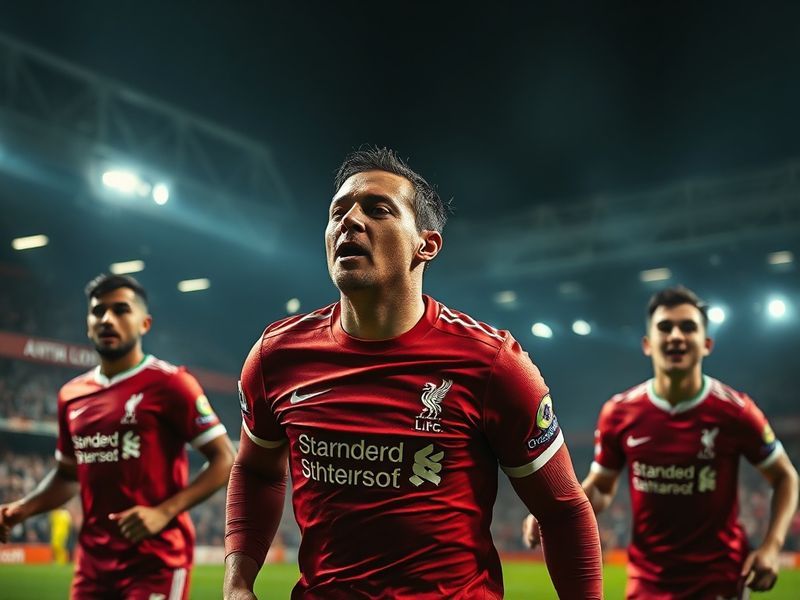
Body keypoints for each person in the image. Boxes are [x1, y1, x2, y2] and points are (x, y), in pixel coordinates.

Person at [224, 147, 603, 599]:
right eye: (337, 211)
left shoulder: (492, 364)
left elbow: (563, 510)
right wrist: (238, 584)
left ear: (427, 244)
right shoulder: (276, 356)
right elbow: (255, 471)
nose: (349, 220)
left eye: (378, 209)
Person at [523, 285, 799, 599]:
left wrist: (772, 546)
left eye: (688, 327)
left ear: (706, 344)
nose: (676, 336)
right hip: (647, 583)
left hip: (718, 580)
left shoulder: (735, 411)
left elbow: (785, 476)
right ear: (647, 344)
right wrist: (555, 513)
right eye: (665, 327)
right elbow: (600, 487)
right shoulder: (620, 412)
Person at [0, 274, 235, 599]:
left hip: (156, 563)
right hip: (93, 567)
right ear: (88, 324)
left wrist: (164, 512)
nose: (107, 319)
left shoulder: (171, 384)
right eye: (98, 311)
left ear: (144, 324)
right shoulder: (71, 394)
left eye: (121, 310)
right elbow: (68, 476)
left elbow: (224, 457)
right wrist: (22, 510)